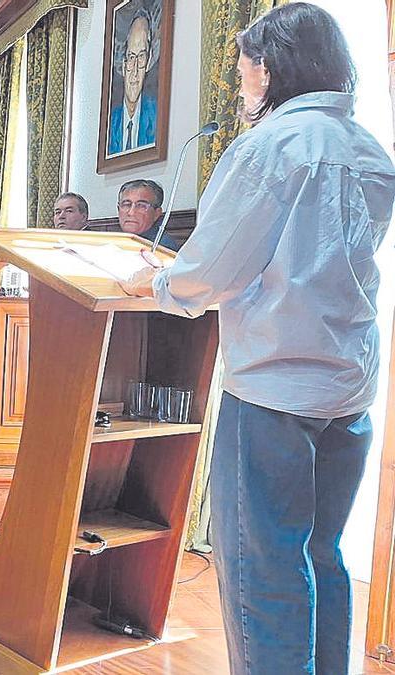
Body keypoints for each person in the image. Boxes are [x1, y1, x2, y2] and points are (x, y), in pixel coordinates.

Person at [120, 6, 395, 673]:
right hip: (348, 389)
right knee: (323, 554)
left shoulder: (271, 146)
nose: (242, 82)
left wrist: (150, 286)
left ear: (271, 66)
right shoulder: (368, 148)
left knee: (263, 567)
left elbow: (214, 270)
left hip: (272, 385)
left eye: (245, 67)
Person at [107, 10, 158, 155]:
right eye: (131, 57)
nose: (135, 71)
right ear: (123, 65)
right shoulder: (110, 123)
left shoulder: (155, 116)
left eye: (141, 57)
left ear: (148, 63)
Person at [116, 179, 178, 250]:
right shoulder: (114, 241)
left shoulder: (163, 247)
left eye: (141, 206)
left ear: (156, 213)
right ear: (118, 209)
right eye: (126, 204)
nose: (131, 212)